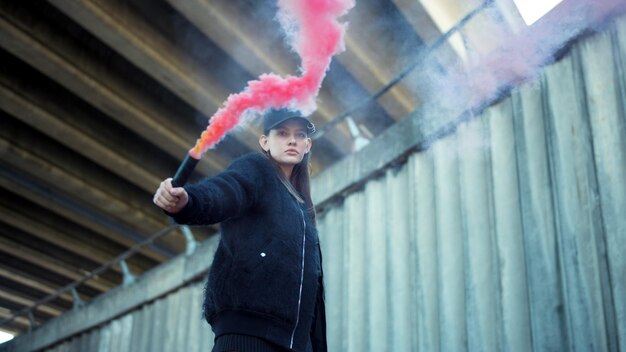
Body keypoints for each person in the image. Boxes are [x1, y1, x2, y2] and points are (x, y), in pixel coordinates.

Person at [153, 109, 327, 352]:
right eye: (282, 133)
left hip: (295, 345)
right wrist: (188, 201)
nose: (291, 140)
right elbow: (226, 190)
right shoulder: (256, 169)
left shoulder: (303, 212)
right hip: (248, 337)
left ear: (307, 145)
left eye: (299, 135)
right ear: (264, 142)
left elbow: (314, 294)